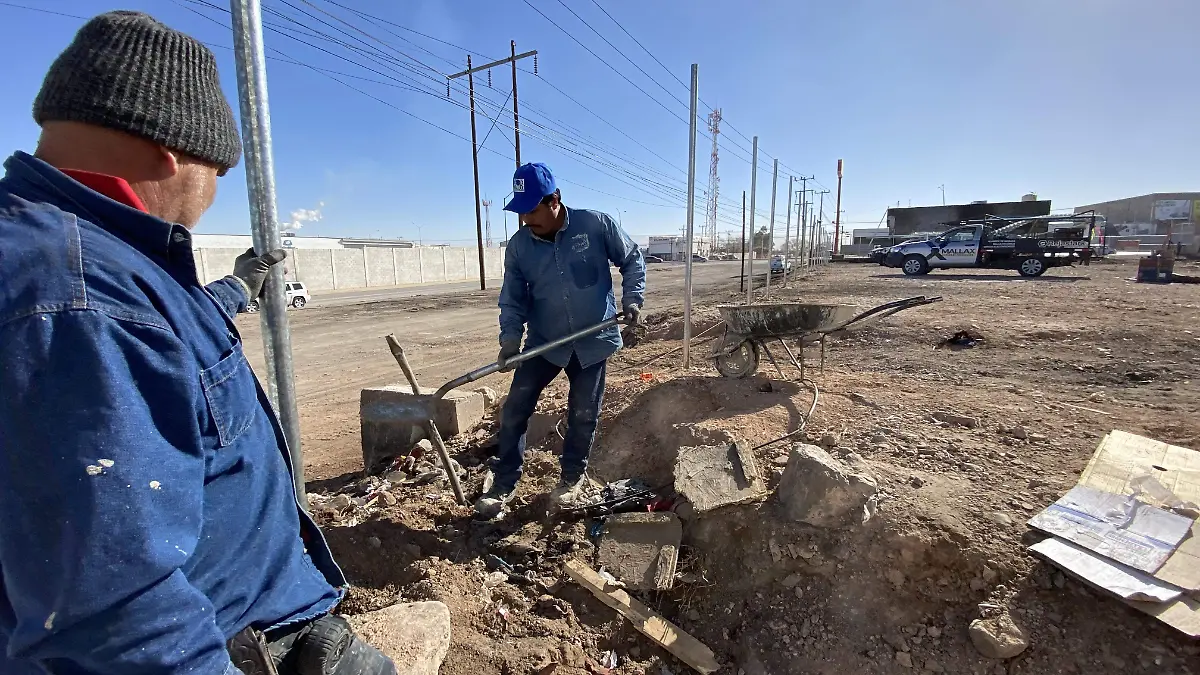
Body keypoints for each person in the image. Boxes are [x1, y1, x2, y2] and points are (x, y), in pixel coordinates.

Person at [0, 11, 398, 675]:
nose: (211, 195)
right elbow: (119, 613)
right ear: (171, 152)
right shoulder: (76, 302)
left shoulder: (94, 264)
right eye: (217, 172)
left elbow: (164, 351)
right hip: (235, 651)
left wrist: (235, 290)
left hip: (270, 626)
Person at [475, 163, 646, 517]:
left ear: (555, 200)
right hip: (545, 343)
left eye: (532, 209)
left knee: (583, 414)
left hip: (592, 339)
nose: (525, 219)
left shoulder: (596, 225)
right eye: (521, 211)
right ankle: (504, 482)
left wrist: (632, 299)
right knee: (514, 411)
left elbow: (631, 259)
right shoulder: (520, 247)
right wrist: (510, 340)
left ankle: (571, 478)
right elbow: (513, 298)